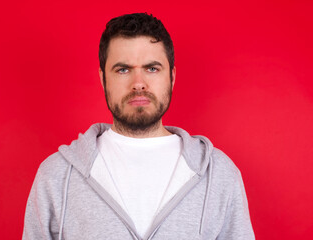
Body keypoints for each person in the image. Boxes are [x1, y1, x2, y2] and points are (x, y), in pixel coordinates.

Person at [23, 13, 255, 240]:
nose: (139, 84)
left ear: (172, 77)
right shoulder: (55, 176)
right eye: (123, 69)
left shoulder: (220, 174)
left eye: (152, 68)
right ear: (103, 79)